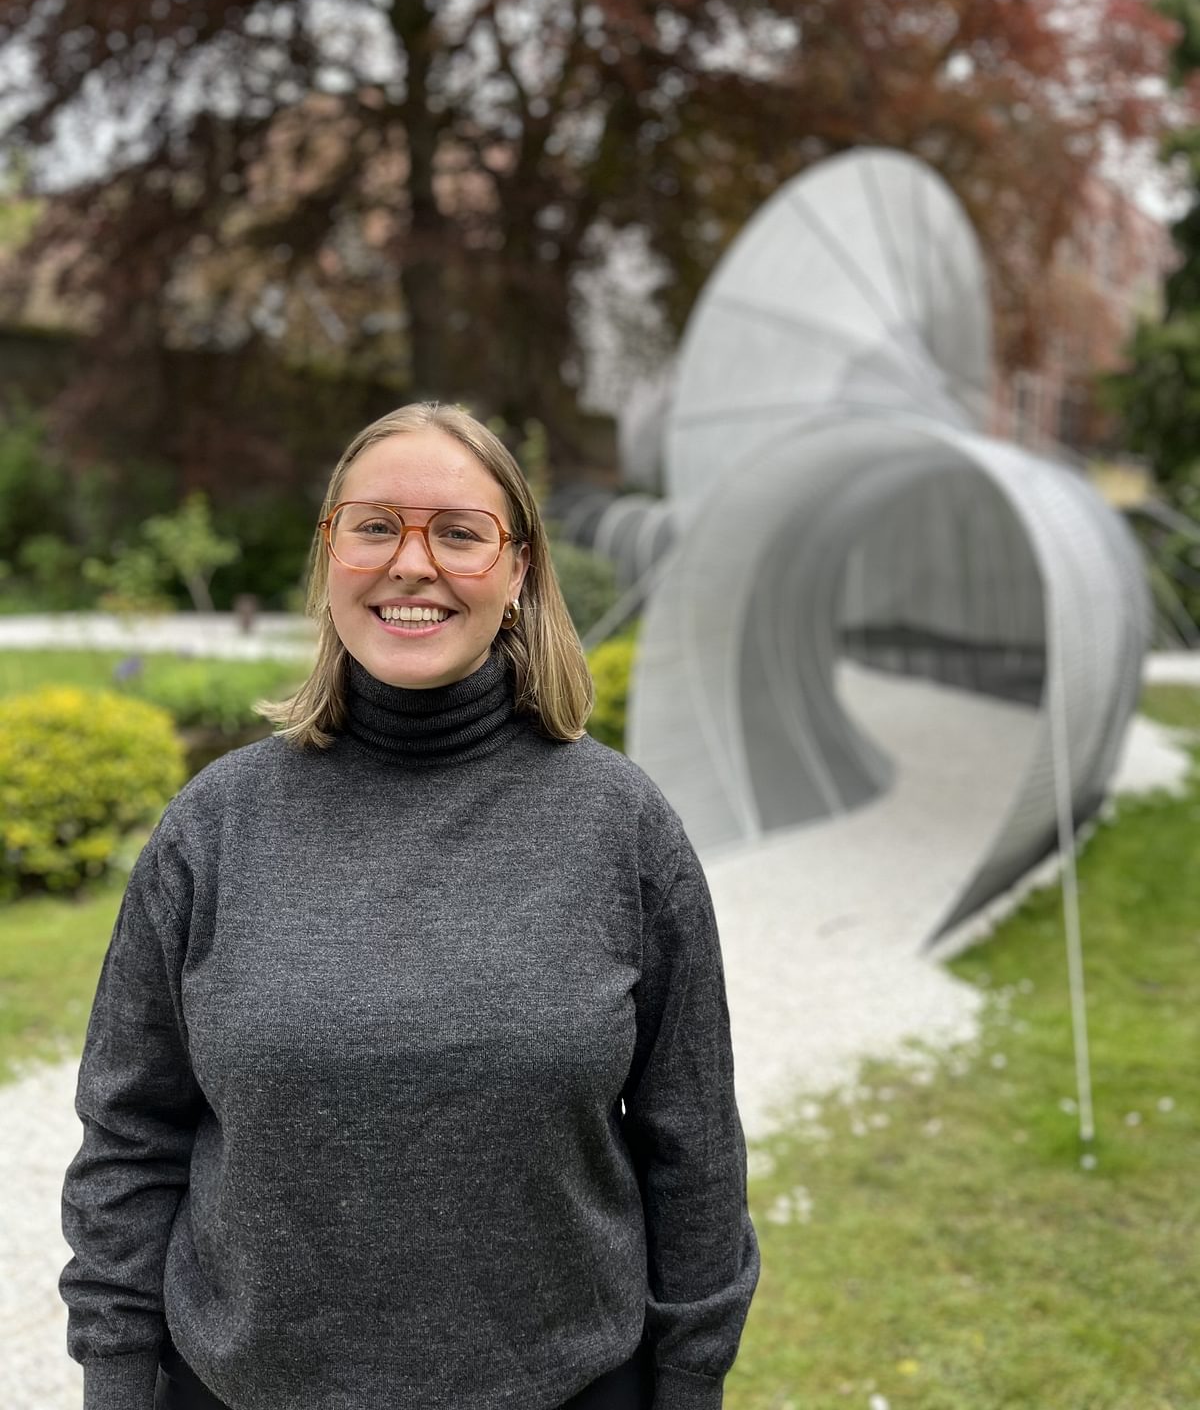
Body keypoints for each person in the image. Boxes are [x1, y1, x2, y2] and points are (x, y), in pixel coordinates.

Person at [60, 402, 760, 1410]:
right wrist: (117, 1380)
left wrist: (691, 1381)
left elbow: (693, 1144)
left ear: (519, 570)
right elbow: (130, 1135)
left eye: (461, 532)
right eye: (376, 525)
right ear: (331, 554)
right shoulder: (214, 827)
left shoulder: (624, 831)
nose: (412, 563)